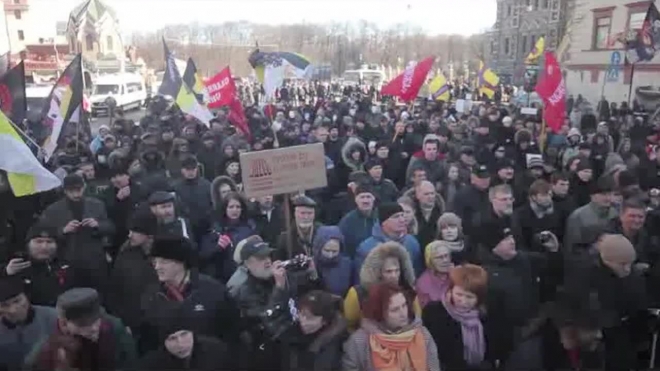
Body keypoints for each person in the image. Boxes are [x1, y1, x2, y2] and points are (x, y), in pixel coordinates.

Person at [139, 236, 238, 353]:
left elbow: (232, 332)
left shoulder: (213, 290)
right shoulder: (151, 295)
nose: (157, 267)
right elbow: (148, 340)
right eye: (155, 262)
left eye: (163, 262)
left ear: (181, 262)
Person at [39, 174, 114, 297]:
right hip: (68, 260)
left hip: (94, 260)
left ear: (84, 187)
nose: (76, 194)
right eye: (71, 191)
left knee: (99, 294)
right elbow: (43, 234)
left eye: (78, 189)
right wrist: (63, 230)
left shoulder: (97, 204)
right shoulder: (53, 210)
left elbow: (110, 227)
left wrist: (97, 225)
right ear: (65, 191)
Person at [25, 288, 137, 371]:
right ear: (64, 323)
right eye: (83, 325)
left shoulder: (113, 327)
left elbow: (130, 363)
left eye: (96, 320)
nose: (94, 328)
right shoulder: (47, 350)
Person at [342, 282, 441, 371]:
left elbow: (434, 367)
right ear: (380, 313)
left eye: (404, 305)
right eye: (395, 310)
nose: (403, 313)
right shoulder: (359, 342)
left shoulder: (422, 334)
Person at [423, 264, 489, 371]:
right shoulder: (433, 312)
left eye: (469, 297)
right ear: (451, 290)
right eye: (459, 294)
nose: (463, 301)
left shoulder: (484, 315)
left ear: (479, 298)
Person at [344, 241, 421, 331]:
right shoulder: (358, 294)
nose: (394, 275)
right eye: (388, 271)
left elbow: (417, 320)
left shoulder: (409, 291)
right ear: (377, 272)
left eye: (397, 270)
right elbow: (350, 325)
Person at [1, 223, 78, 306]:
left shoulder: (67, 266)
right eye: (38, 241)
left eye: (49, 242)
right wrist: (5, 272)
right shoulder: (16, 266)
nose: (44, 247)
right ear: (28, 244)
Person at [279, 290, 347, 371]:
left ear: (324, 321)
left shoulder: (334, 348)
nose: (303, 321)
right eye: (301, 313)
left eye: (309, 317)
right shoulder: (289, 334)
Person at [0, 276, 58, 371]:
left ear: (27, 297)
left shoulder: (53, 317)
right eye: (4, 305)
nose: (13, 309)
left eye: (17, 301)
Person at [139, 310, 228, 370]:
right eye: (172, 338)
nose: (180, 344)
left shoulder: (218, 351)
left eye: (184, 334)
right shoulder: (151, 364)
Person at [354, 202, 423, 277]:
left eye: (402, 215)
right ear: (383, 222)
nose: (402, 220)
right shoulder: (367, 248)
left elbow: (417, 272)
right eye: (396, 217)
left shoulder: (411, 242)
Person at [311, 226, 353, 296]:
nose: (330, 255)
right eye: (327, 250)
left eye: (334, 251)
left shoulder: (348, 265)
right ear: (319, 248)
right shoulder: (312, 265)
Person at [416, 241, 454, 308]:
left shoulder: (458, 274)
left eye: (446, 256)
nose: (445, 260)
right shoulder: (423, 283)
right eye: (439, 257)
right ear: (430, 261)